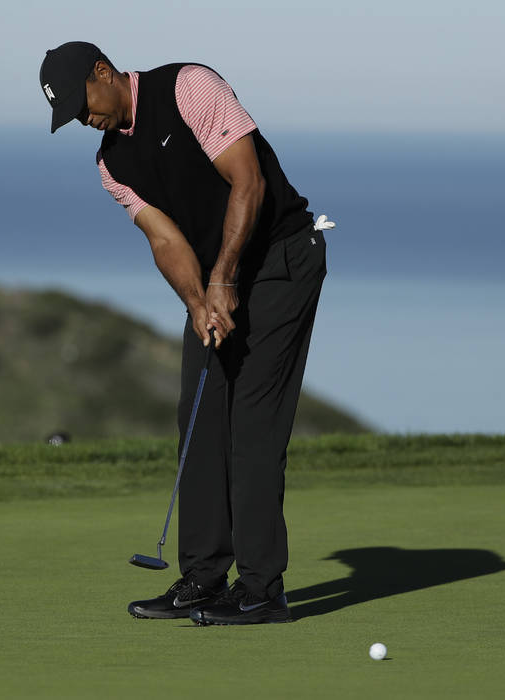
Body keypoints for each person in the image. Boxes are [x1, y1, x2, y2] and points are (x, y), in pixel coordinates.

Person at [40, 41, 333, 625]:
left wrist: (223, 277)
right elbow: (165, 240)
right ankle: (203, 577)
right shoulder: (110, 164)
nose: (84, 119)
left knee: (251, 424)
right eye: (71, 115)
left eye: (83, 103)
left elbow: (247, 182)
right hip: (217, 278)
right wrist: (199, 302)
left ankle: (260, 589)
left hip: (280, 260)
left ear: (105, 72)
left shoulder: (188, 88)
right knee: (197, 420)